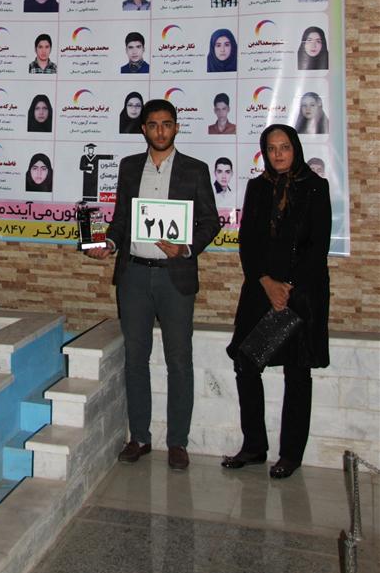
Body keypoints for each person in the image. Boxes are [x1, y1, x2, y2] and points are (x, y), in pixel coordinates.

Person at [88, 99, 219, 468]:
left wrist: (186, 248)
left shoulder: (195, 169)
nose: (160, 131)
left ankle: (177, 442)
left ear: (176, 127)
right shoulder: (130, 167)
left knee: (179, 360)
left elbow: (210, 222)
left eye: (167, 124)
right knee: (135, 359)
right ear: (143, 129)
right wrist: (109, 244)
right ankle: (140, 438)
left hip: (175, 276)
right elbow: (121, 220)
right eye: (153, 124)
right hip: (134, 275)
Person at [222, 125, 331, 479]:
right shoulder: (258, 187)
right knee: (246, 362)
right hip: (262, 289)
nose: (279, 154)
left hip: (301, 294)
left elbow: (318, 246)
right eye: (272, 148)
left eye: (284, 147)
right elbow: (248, 242)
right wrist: (267, 283)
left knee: (296, 371)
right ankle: (254, 446)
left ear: (295, 149)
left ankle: (291, 454)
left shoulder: (316, 187)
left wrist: (288, 288)